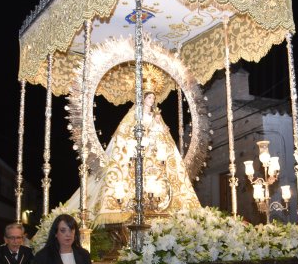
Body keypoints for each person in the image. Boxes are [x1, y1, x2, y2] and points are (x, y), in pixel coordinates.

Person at [64, 89, 201, 228]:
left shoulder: (156, 115)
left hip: (153, 153)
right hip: (139, 151)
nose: (151, 100)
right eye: (149, 98)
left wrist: (160, 125)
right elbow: (125, 132)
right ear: (143, 99)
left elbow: (164, 133)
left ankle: (159, 204)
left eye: (153, 98)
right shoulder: (136, 114)